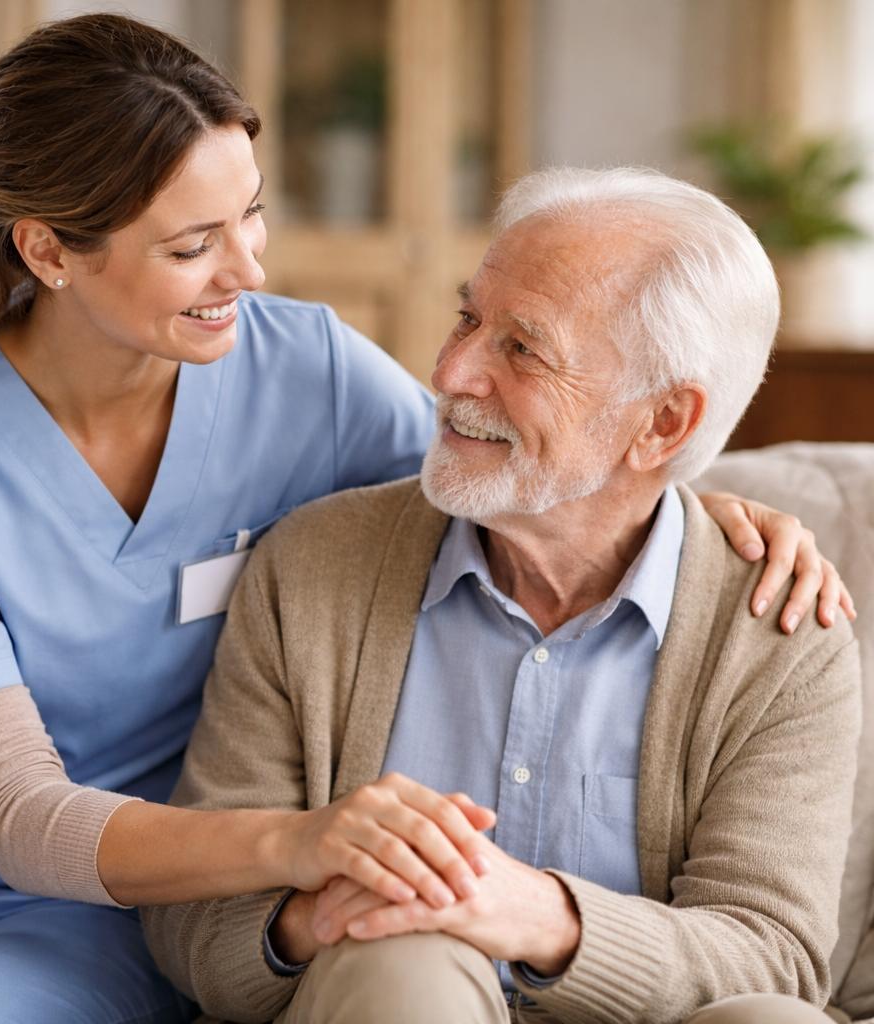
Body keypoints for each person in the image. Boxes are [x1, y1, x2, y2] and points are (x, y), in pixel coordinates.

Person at [0, 13, 847, 1024]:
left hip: (115, 905)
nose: (249, 270)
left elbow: (536, 469)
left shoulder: (305, 373)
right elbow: (13, 811)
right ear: (48, 251)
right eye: (192, 245)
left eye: (252, 214)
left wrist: (696, 508)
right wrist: (303, 843)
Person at [141, 168, 861, 1024]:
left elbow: (774, 955)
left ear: (664, 423)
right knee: (403, 954)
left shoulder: (779, 629)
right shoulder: (313, 568)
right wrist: (319, 917)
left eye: (522, 349)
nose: (451, 371)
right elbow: (198, 921)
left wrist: (537, 915)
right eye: (467, 319)